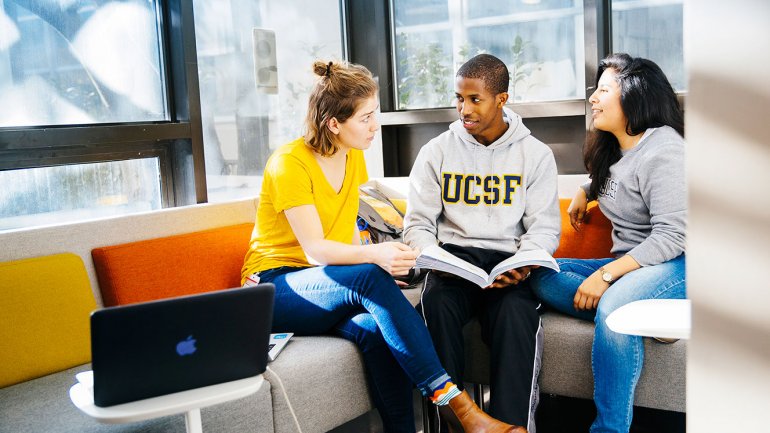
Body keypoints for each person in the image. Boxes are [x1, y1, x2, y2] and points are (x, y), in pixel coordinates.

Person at [241, 60, 525, 433]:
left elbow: (348, 230)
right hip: (273, 286)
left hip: (322, 285)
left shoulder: (352, 156)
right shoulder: (289, 164)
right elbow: (314, 249)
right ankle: (458, 407)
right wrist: (375, 258)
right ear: (334, 124)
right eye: (366, 118)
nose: (376, 125)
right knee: (371, 278)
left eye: (375, 114)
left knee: (375, 330)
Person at [529, 53, 686, 433]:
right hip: (632, 268)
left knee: (615, 309)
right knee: (539, 271)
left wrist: (607, 275)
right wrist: (586, 189)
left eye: (603, 90)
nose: (593, 99)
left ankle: (609, 429)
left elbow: (673, 235)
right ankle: (649, 318)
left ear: (634, 95)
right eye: (594, 91)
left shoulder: (665, 150)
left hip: (678, 264)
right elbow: (619, 183)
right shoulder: (613, 148)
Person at [403, 53, 561, 432]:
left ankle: (511, 427)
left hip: (508, 263)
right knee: (435, 303)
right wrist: (431, 255)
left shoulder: (535, 155)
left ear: (501, 99)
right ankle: (452, 427)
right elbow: (418, 224)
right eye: (459, 98)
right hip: (453, 261)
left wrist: (525, 263)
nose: (464, 109)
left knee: (517, 316)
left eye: (475, 99)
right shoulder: (436, 151)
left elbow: (543, 229)